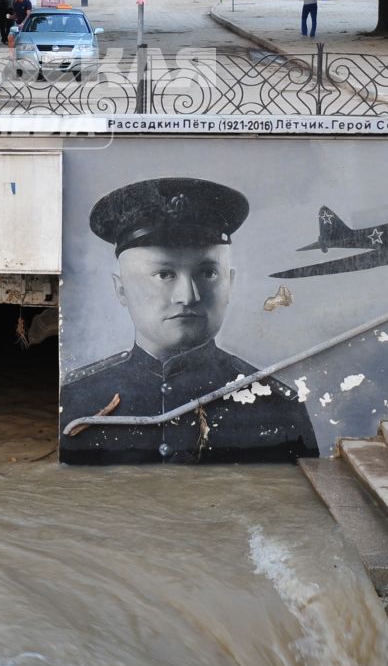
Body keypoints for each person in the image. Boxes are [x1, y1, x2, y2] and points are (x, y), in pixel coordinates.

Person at [60, 178, 318, 465]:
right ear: (121, 290)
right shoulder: (76, 398)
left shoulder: (278, 405)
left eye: (207, 273)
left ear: (229, 284)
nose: (188, 296)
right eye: (164, 274)